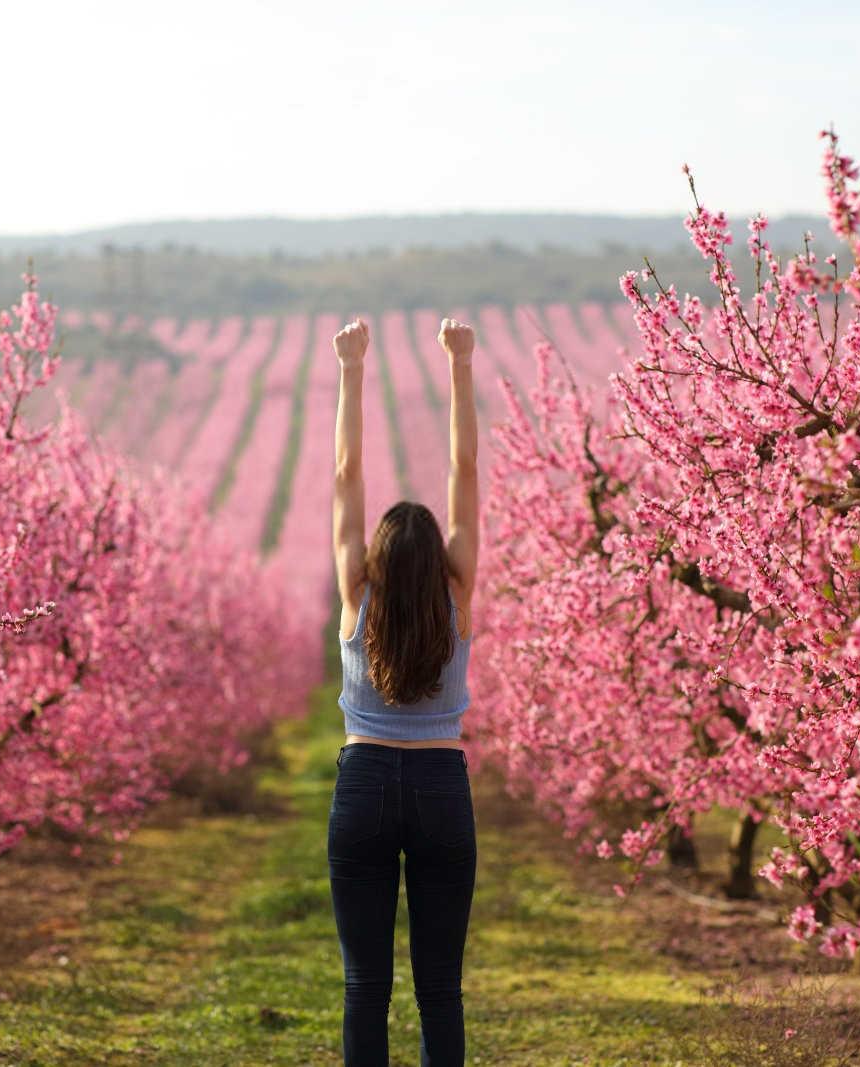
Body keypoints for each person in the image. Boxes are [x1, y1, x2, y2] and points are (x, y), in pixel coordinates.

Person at [327, 315, 478, 1067]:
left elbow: (346, 476)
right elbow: (465, 477)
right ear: (439, 560)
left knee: (365, 985)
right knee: (440, 988)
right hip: (442, 787)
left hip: (363, 784)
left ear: (378, 557)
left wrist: (352, 369)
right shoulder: (458, 591)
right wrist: (460, 364)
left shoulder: (358, 596)